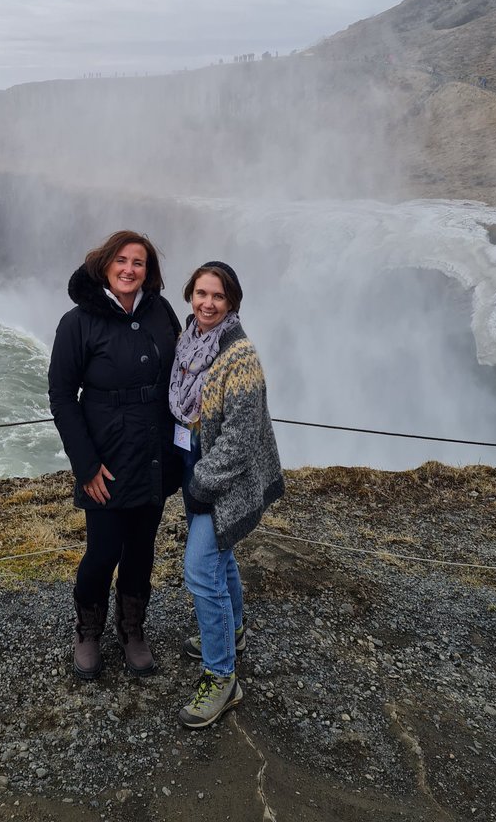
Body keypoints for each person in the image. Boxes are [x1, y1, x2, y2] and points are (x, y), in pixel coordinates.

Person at [48, 230, 183, 680]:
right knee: (103, 551)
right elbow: (63, 396)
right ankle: (88, 631)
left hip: (154, 453)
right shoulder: (78, 322)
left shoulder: (160, 312)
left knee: (141, 549)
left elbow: (184, 372)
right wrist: (85, 465)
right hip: (105, 457)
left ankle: (132, 629)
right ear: (105, 265)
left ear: (149, 271)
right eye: (121, 260)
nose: (129, 269)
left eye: (139, 262)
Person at [169, 261, 284, 728]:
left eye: (217, 296)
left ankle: (222, 678)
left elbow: (239, 438)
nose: (207, 303)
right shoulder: (189, 337)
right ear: (190, 295)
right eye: (200, 293)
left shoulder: (240, 357)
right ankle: (233, 632)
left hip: (223, 483)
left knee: (200, 571)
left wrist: (200, 485)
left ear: (232, 302)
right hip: (197, 470)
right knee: (223, 558)